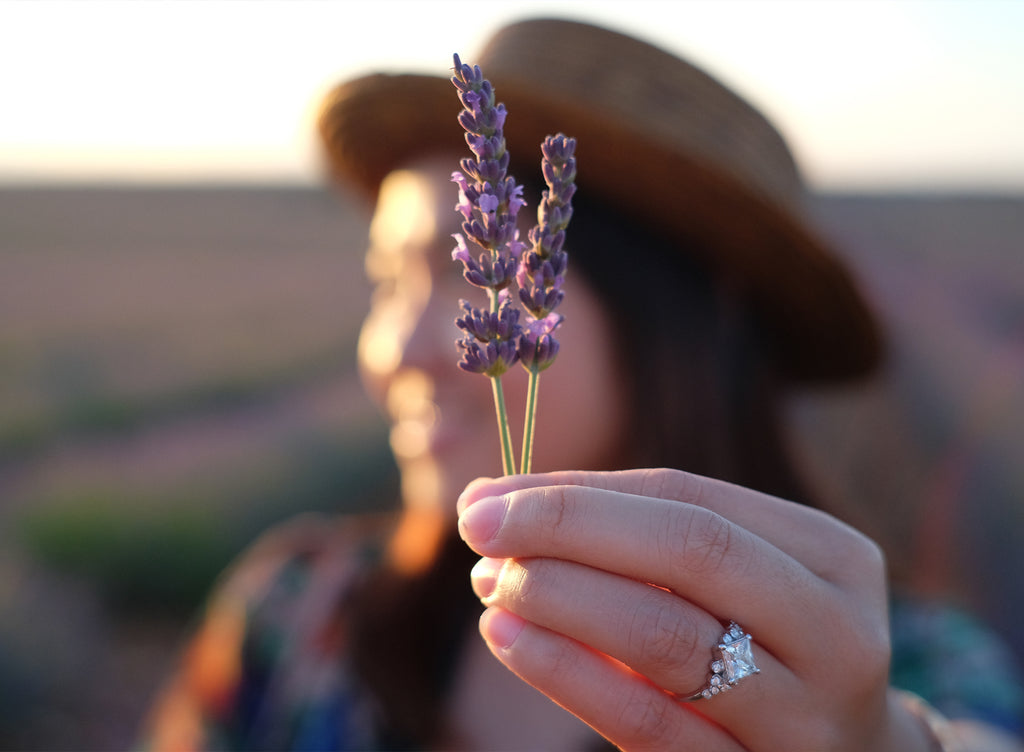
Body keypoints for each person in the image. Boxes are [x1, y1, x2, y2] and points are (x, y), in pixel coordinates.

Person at [141, 17, 1023, 751]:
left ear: (683, 312)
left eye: (463, 274)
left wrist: (890, 742)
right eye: (387, 279)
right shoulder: (295, 618)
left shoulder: (903, 666)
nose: (396, 349)